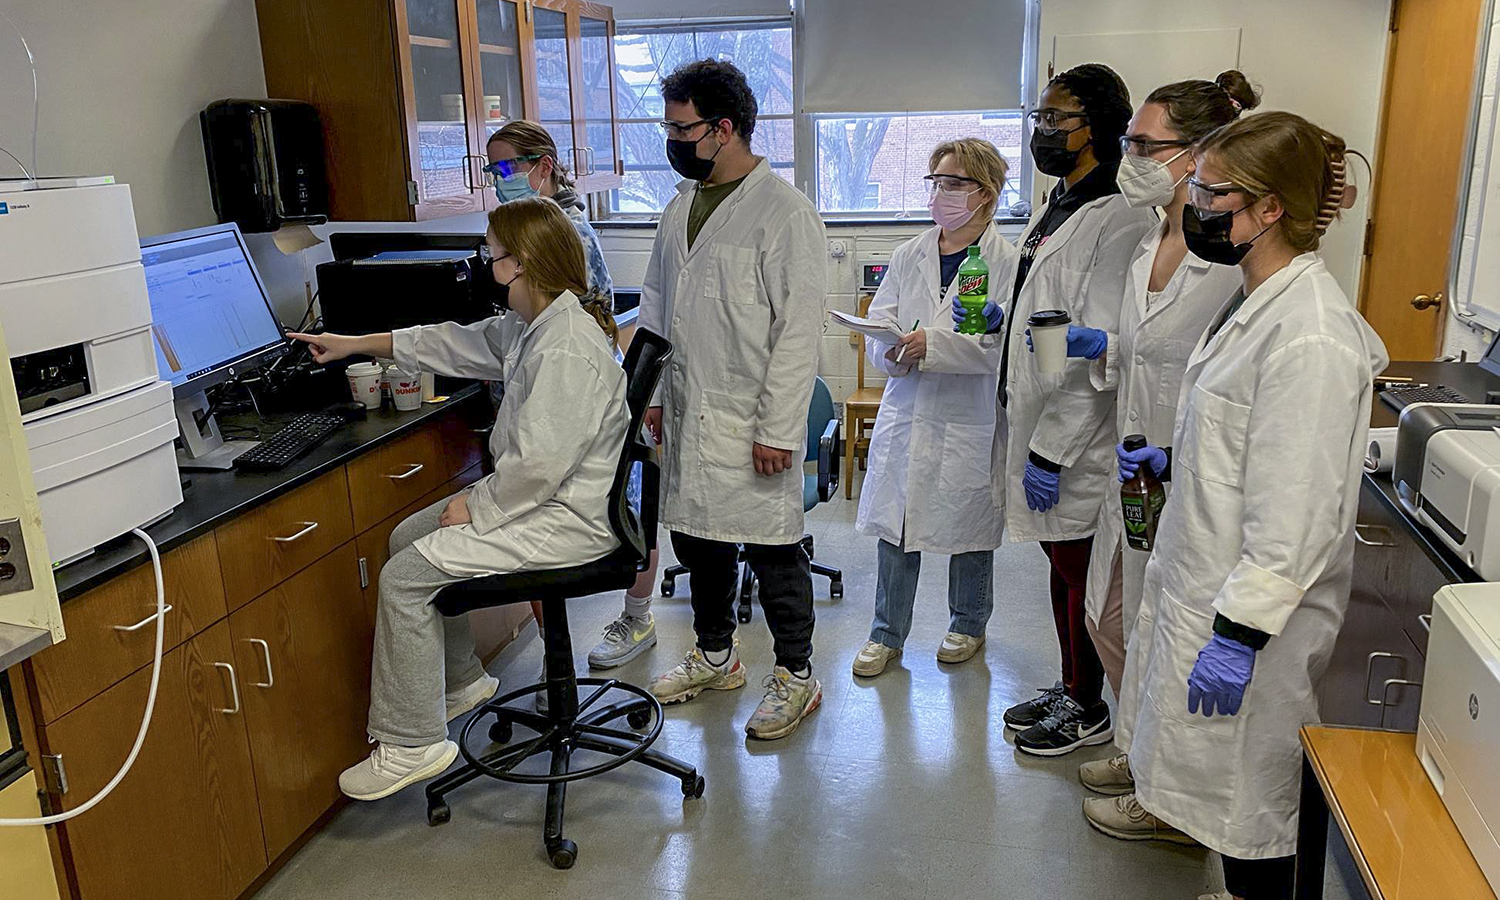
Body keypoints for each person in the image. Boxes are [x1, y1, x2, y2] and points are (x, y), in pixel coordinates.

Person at [1109, 112, 1386, 900]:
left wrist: (1236, 635)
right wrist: (1180, 459)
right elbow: (1252, 446)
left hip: (1249, 626)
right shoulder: (1252, 298)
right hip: (1206, 589)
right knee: (1224, 811)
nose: (1194, 203)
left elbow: (1294, 513)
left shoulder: (1311, 336)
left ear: (1269, 210)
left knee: (1251, 814)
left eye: (1210, 191)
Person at [287, 197, 628, 801]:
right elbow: (453, 344)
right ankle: (462, 680)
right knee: (404, 538)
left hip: (566, 518)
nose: (482, 265)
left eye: (489, 255)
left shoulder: (566, 346)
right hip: (544, 498)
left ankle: (411, 743)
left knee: (403, 577)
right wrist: (355, 344)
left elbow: (539, 466)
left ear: (519, 265)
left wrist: (478, 507)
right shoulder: (535, 324)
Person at [1063, 73, 1259, 807]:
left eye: (1146, 145)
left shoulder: (1228, 257)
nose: (1130, 155)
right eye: (1130, 142)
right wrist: (1104, 346)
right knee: (1112, 621)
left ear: (1200, 152)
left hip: (1196, 481)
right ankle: (1136, 748)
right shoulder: (1151, 239)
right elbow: (1150, 353)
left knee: (1166, 634)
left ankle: (1168, 796)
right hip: (1136, 471)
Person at [638, 59, 827, 740]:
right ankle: (716, 654)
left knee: (774, 548)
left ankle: (798, 677)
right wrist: (652, 393)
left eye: (681, 128)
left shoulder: (785, 213)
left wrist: (779, 428)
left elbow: (799, 332)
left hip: (753, 419)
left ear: (723, 129)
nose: (673, 141)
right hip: (688, 408)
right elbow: (656, 308)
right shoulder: (679, 208)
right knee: (698, 540)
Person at [986, 63, 1155, 757]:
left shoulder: (1118, 214)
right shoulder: (1058, 198)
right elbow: (1051, 309)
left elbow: (1096, 345)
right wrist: (1010, 314)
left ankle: (1089, 706)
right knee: (1059, 570)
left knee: (1082, 577)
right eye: (1040, 117)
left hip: (1074, 437)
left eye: (1058, 119)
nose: (1043, 131)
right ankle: (1071, 685)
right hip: (1037, 410)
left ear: (1100, 128)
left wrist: (1051, 450)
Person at [484, 121, 659, 674]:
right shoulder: (533, 222)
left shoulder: (563, 229)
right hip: (552, 384)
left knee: (597, 504)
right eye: (491, 171)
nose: (498, 180)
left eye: (507, 168)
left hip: (571, 390)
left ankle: (630, 618)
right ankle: (553, 654)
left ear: (543, 164)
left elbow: (560, 332)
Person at [850, 138, 1017, 678]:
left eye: (953, 183)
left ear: (985, 194)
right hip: (907, 409)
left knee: (970, 530)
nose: (940, 194)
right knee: (896, 528)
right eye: (936, 182)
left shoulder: (1007, 262)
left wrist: (936, 347)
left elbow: (1006, 348)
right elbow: (881, 325)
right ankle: (886, 635)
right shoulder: (910, 254)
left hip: (968, 415)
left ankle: (968, 623)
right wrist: (891, 346)